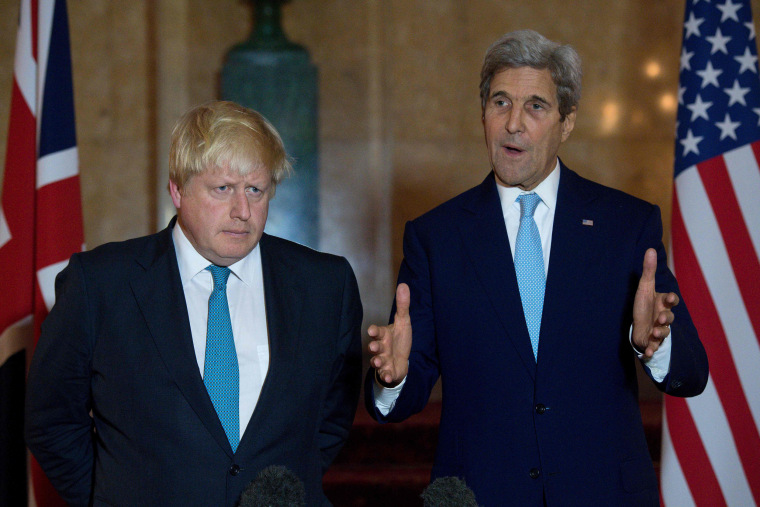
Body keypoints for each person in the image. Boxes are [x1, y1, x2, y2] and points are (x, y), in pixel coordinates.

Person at [365, 30, 708, 506]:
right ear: (482, 113)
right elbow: (399, 399)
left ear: (566, 122)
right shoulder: (436, 238)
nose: (513, 124)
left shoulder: (626, 226)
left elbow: (691, 375)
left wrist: (654, 343)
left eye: (536, 107)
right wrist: (393, 377)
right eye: (500, 103)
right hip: (482, 494)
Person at [25, 100, 363, 506]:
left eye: (255, 190)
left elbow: (329, 423)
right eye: (223, 189)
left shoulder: (325, 284)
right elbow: (52, 421)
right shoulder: (101, 284)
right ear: (177, 190)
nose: (243, 211)